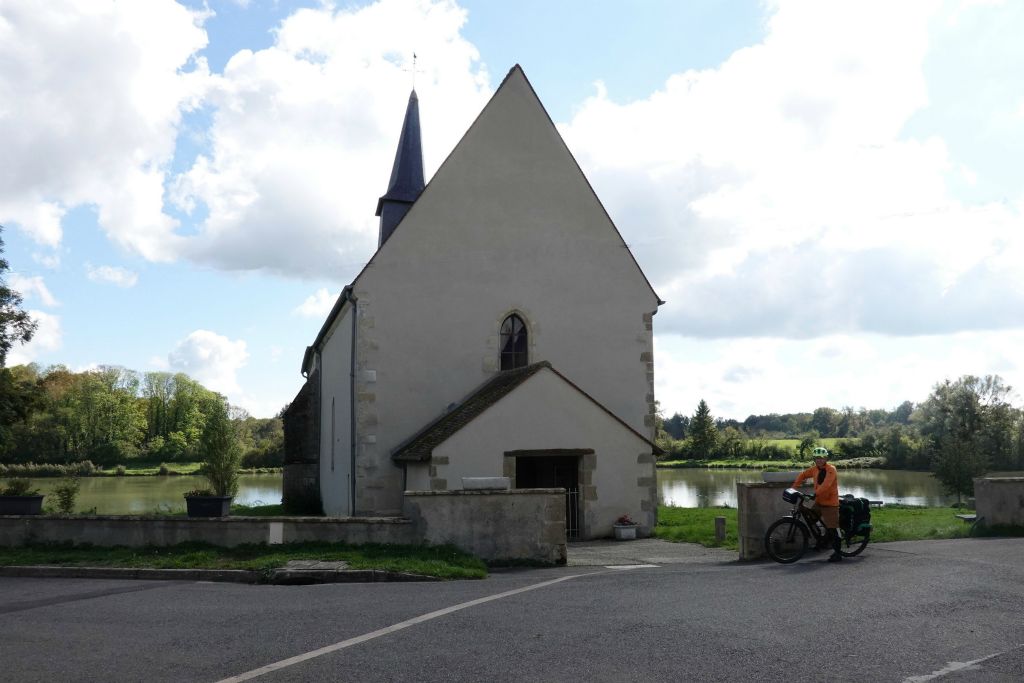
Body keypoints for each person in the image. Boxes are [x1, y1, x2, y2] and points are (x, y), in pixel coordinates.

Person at [792, 448, 843, 562]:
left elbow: (826, 485)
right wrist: (793, 488)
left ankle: (838, 553)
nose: (819, 460)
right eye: (817, 458)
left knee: (833, 528)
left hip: (830, 503)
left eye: (821, 458)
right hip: (819, 502)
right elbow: (803, 475)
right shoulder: (814, 469)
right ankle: (822, 540)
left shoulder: (831, 469)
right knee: (811, 519)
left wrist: (814, 494)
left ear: (826, 458)